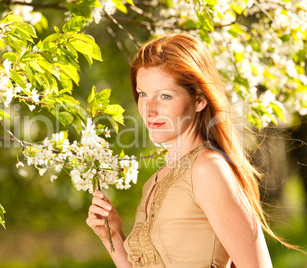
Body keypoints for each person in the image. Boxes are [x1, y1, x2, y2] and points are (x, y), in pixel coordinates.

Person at [86, 34, 292, 268]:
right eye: (143, 94)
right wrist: (112, 236)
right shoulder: (155, 180)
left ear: (199, 100)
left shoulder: (208, 169)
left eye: (165, 96)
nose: (149, 110)